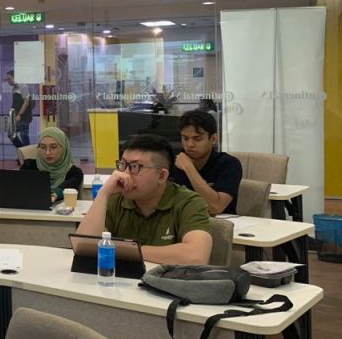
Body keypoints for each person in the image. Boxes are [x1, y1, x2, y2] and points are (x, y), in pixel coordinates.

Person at [77, 133, 211, 264]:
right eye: (122, 165)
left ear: (161, 176)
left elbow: (196, 256)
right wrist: (104, 193)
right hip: (120, 277)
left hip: (167, 278)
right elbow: (83, 248)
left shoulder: (189, 202)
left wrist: (120, 249)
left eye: (135, 167)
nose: (125, 174)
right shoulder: (116, 198)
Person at [170, 110, 242, 215]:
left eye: (197, 139)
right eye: (185, 138)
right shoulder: (174, 163)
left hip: (219, 223)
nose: (190, 144)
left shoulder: (229, 163)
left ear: (213, 139)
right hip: (182, 220)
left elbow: (215, 207)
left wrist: (189, 168)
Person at [20, 127, 84, 203]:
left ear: (63, 148)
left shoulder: (74, 172)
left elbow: (68, 186)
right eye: (43, 147)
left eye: (53, 147)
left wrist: (54, 195)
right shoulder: (29, 166)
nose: (47, 152)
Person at [5, 71, 32, 146]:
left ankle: (26, 152)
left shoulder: (24, 87)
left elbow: (26, 102)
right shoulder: (14, 89)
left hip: (23, 117)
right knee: (11, 133)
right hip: (15, 116)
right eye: (7, 79)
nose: (8, 81)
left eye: (9, 79)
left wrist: (20, 114)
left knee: (24, 136)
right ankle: (22, 150)